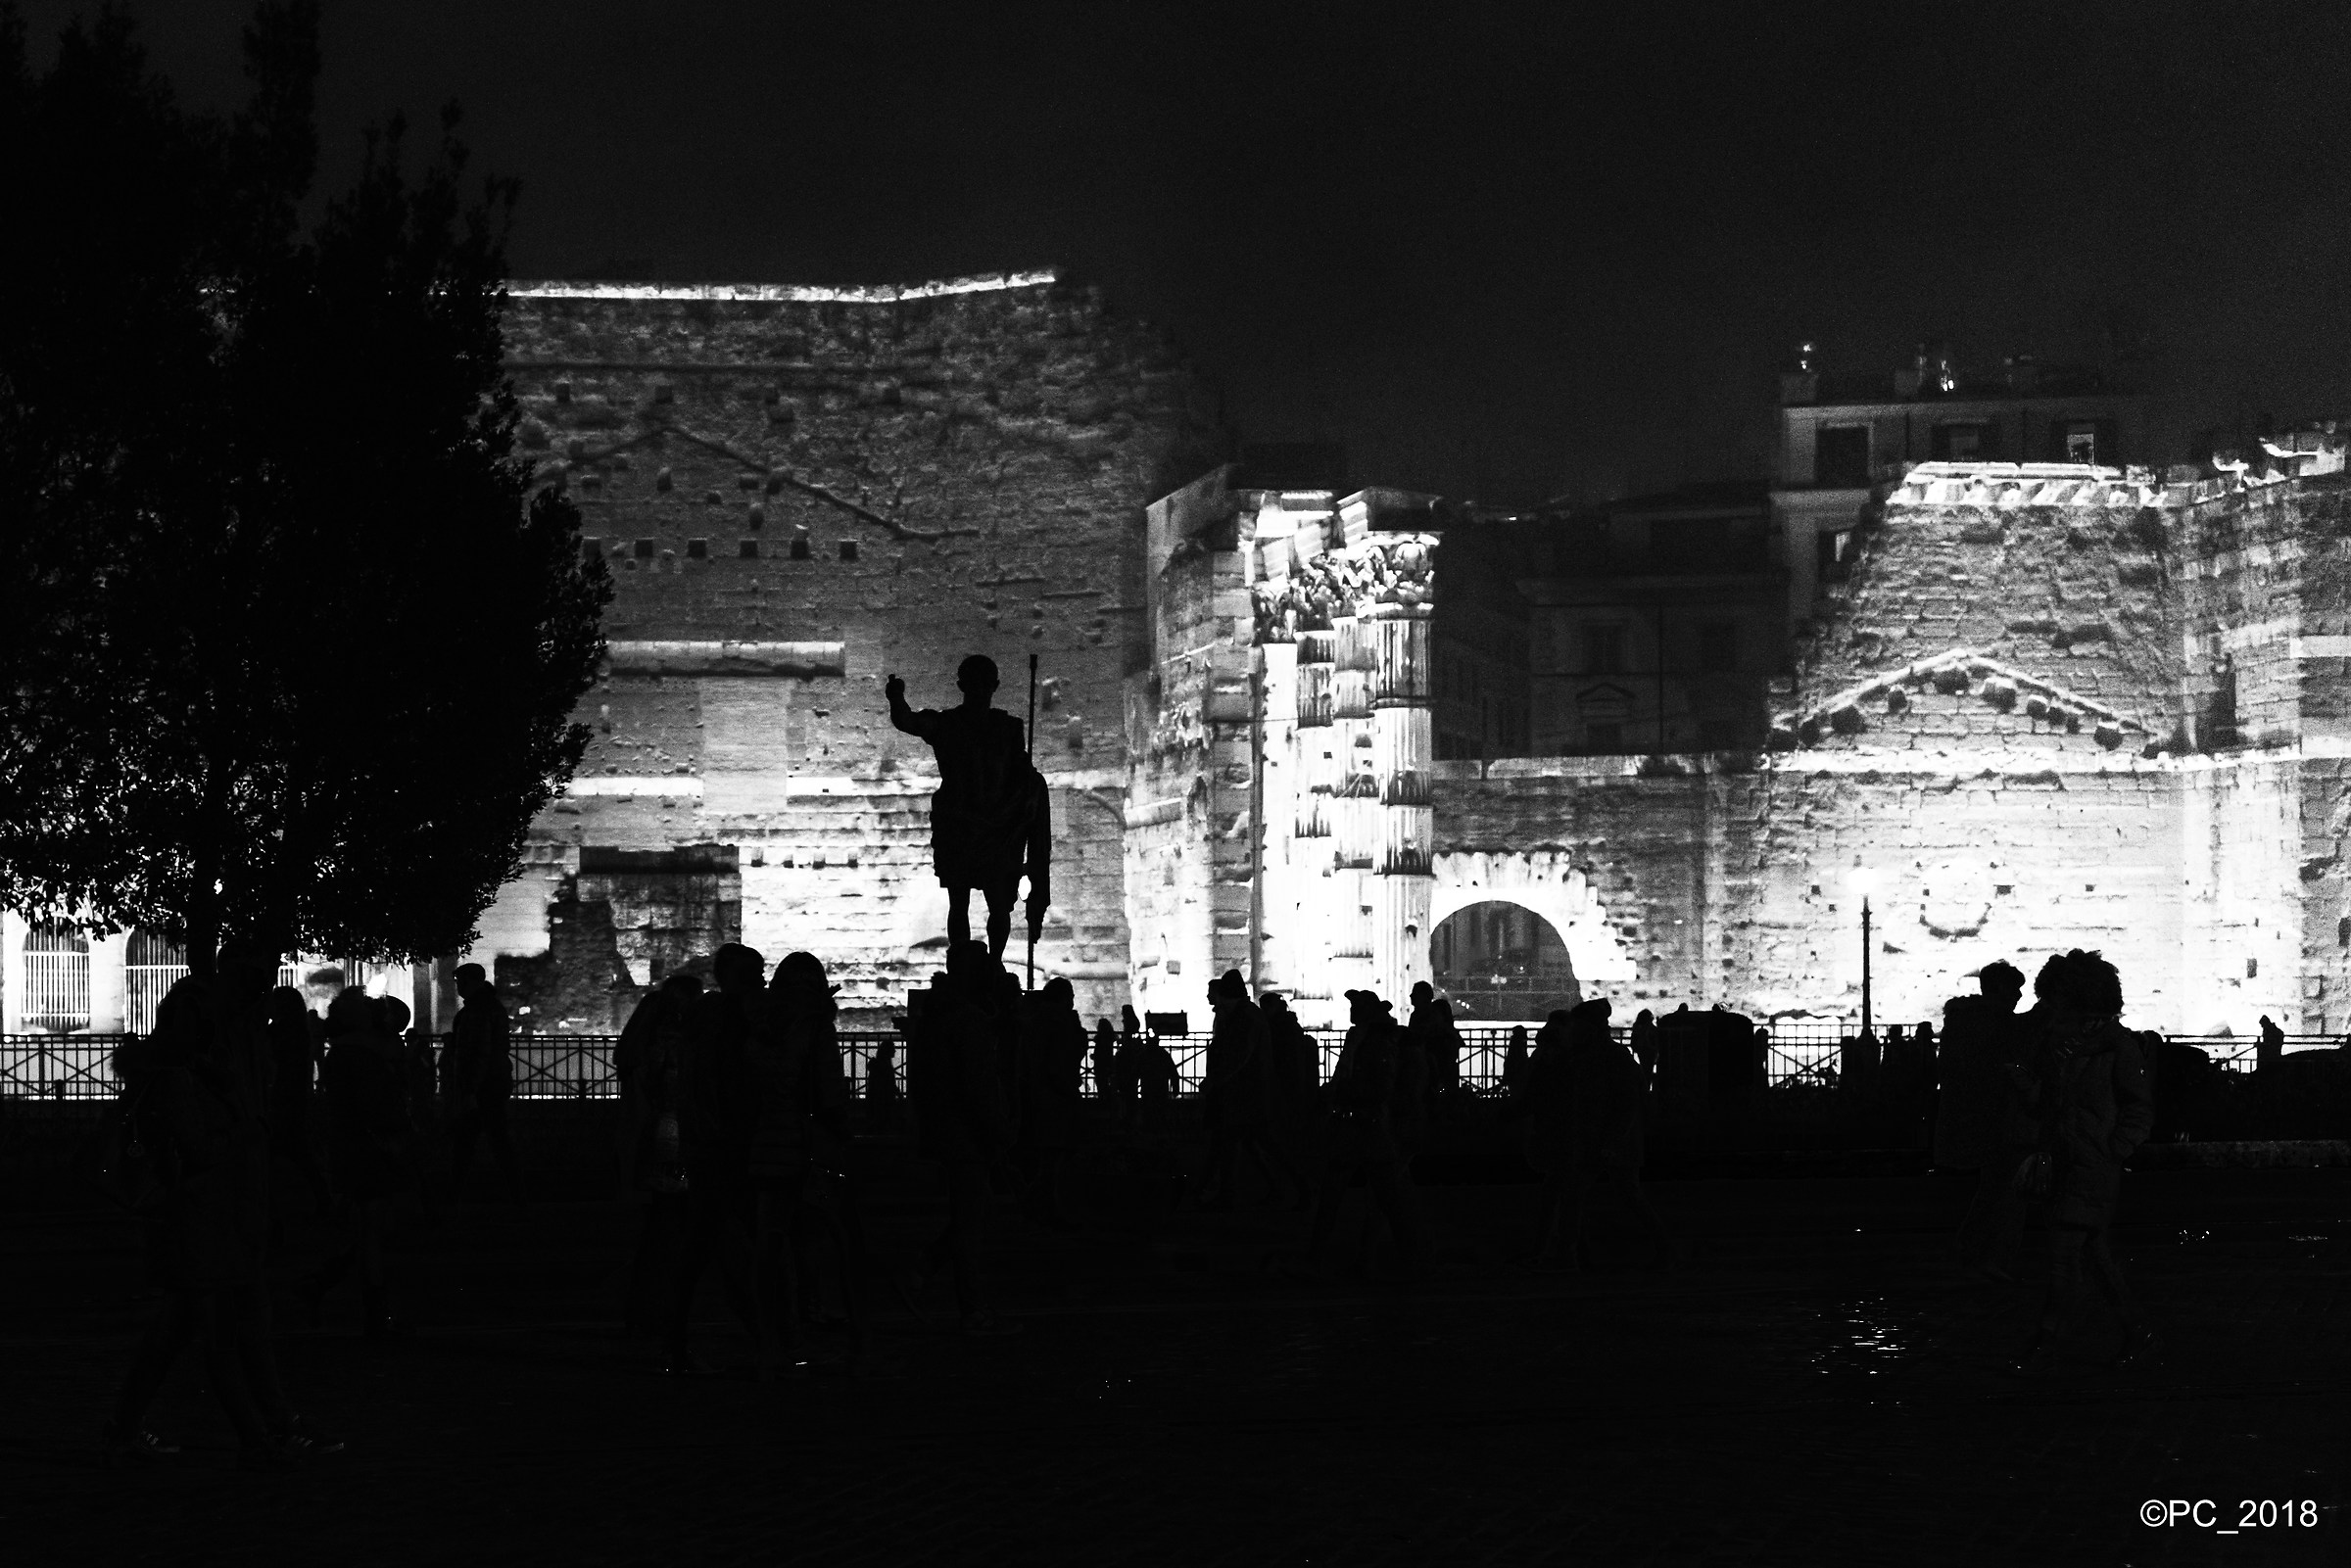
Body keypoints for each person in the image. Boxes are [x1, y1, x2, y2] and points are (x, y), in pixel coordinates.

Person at [104, 955, 332, 1468]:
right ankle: (263, 1431)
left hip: (210, 1217)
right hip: (201, 1219)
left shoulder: (190, 1071)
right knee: (221, 1331)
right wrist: (238, 1127)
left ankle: (127, 1426)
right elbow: (200, 1151)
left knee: (183, 1332)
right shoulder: (182, 1078)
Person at [2017, 950, 2155, 1375]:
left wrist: (2114, 1149)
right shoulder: (2060, 1047)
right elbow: (2049, 1106)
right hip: (2062, 1163)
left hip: (2092, 1168)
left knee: (2063, 1259)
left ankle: (2045, 1343)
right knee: (2095, 1258)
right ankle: (2138, 1332)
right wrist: (2024, 1086)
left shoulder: (2118, 1050)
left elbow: (2139, 1108)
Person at [887, 656, 1051, 960]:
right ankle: (969, 961)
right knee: (966, 901)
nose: (979, 691)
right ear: (965, 686)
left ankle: (991, 963)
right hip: (962, 825)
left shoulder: (1004, 727)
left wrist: (1031, 786)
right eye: (975, 685)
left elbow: (1020, 771)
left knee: (992, 903)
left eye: (983, 685)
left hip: (992, 825)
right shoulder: (950, 724)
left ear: (993, 687)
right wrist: (896, 699)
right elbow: (907, 721)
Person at [910, 941, 1019, 1334]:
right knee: (971, 1222)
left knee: (971, 1215)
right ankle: (972, 1309)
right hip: (968, 1133)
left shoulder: (938, 1014)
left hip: (949, 1129)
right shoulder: (966, 1019)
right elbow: (979, 1085)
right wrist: (999, 1132)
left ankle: (920, 1273)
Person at [667, 944, 764, 1373]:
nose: (760, 981)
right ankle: (764, 1336)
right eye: (753, 974)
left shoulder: (713, 1017)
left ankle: (759, 1334)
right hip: (721, 1144)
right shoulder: (725, 1019)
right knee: (721, 1240)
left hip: (717, 1142)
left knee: (717, 1241)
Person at [306, 988, 423, 1337]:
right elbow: (376, 1105)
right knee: (374, 1227)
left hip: (363, 1146)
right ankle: (374, 1309)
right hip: (373, 1146)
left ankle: (328, 1283)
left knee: (369, 1225)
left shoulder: (352, 1052)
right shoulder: (362, 1055)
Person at [1522, 998, 1671, 1270]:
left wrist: (1611, 1142)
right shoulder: (1592, 1056)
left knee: (1613, 1196)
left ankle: (1570, 1255)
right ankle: (1571, 1254)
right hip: (1597, 1140)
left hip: (1608, 1142)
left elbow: (1625, 1105)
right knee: (1579, 1195)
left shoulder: (1608, 1058)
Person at [1308, 989, 1427, 1276]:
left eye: (1355, 1006)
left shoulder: (1378, 1041)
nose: (1350, 1010)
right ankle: (1404, 1258)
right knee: (1369, 1197)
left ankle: (1322, 1259)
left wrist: (1341, 1092)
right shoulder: (1361, 1037)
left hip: (1367, 1127)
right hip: (1357, 1126)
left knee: (1376, 1197)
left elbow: (1378, 1087)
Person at [613, 974, 700, 1357]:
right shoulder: (674, 1041)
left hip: (653, 1141)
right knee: (673, 1232)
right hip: (673, 1142)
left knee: (659, 1232)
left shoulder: (646, 1039)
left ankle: (646, 1315)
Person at [1937, 961, 2033, 1280]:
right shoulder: (1996, 1024)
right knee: (2003, 1191)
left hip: (1973, 1118)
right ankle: (1990, 1256)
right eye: (2016, 988)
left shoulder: (1964, 1023)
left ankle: (1972, 1250)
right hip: (1996, 1117)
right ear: (2002, 989)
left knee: (1992, 1189)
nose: (2020, 994)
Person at [1198, 971, 1296, 1210]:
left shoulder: (1245, 1018)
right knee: (1251, 1146)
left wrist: (1215, 1080)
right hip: (1246, 1094)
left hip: (1250, 1095)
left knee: (1243, 1146)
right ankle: (1286, 1187)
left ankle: (1291, 1187)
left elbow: (1239, 1056)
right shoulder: (1243, 1015)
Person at [446, 963, 520, 1201]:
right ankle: (517, 1194)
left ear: (471, 982)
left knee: (470, 1143)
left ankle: (453, 1196)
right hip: (492, 1083)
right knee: (494, 1141)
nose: (458, 987)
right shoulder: (489, 1006)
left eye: (460, 981)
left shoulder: (478, 1010)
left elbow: (479, 1052)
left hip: (483, 1087)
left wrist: (469, 1090)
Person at [262, 984, 331, 1220]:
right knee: (298, 1153)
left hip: (281, 1097)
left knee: (284, 1153)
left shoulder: (281, 1031)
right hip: (293, 1096)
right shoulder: (299, 1030)